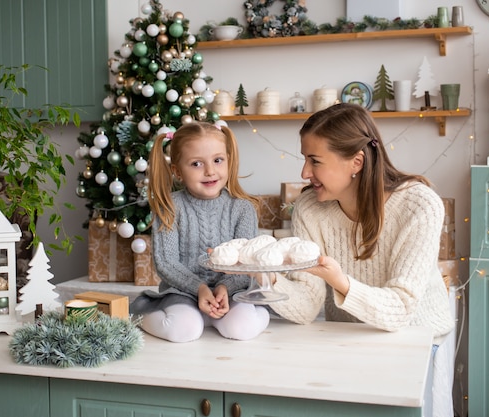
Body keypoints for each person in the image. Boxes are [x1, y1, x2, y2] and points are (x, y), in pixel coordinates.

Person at [267, 103, 455, 416]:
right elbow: (306, 307)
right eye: (304, 159)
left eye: (314, 160)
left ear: (356, 161)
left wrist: (338, 280)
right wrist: (266, 276)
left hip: (418, 344)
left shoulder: (419, 205)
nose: (304, 172)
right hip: (347, 341)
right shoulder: (310, 209)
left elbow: (400, 310)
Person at [130, 122, 270, 343]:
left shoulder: (242, 208)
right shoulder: (169, 207)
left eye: (217, 160)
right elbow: (166, 263)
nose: (210, 171)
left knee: (242, 328)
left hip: (230, 292)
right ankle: (140, 314)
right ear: (177, 171)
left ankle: (236, 315)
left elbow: (246, 262)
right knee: (183, 331)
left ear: (228, 161)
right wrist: (200, 288)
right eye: (196, 163)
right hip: (183, 291)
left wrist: (225, 287)